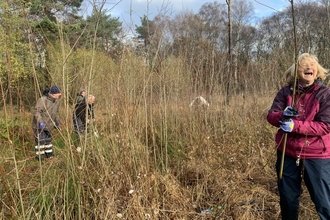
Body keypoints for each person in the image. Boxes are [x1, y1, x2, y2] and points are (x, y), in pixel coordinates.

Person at [267, 53, 330, 220]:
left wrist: (295, 126)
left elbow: (325, 126)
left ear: (317, 71)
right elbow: (271, 116)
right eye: (304, 65)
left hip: (317, 154)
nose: (309, 67)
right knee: (288, 200)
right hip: (287, 152)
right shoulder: (286, 92)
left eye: (312, 64)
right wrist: (283, 115)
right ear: (296, 71)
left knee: (324, 201)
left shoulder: (325, 94)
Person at [32, 85, 62, 160]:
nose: (60, 94)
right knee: (41, 141)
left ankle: (49, 155)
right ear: (54, 93)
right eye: (59, 93)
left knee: (48, 141)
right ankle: (39, 157)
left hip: (49, 125)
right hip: (39, 126)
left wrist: (56, 122)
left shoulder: (56, 102)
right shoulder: (43, 100)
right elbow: (37, 112)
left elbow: (55, 114)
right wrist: (41, 122)